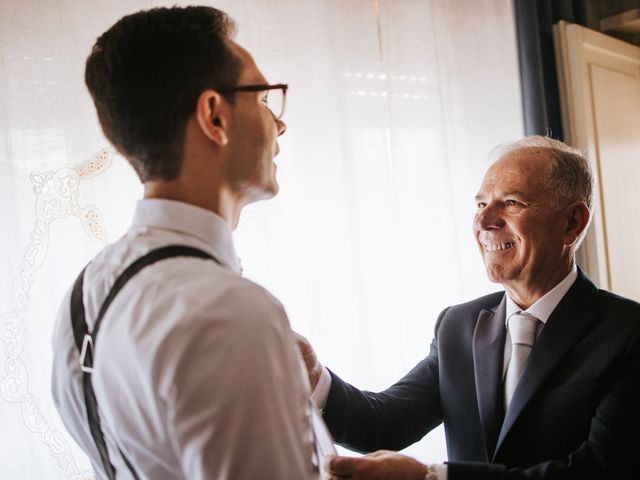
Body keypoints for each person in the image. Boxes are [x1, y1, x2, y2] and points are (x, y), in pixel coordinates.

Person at [51, 6, 319, 480]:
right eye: (263, 99)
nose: (279, 126)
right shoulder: (228, 312)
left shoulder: (85, 292)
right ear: (214, 116)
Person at [297, 136, 640, 479]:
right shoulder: (457, 325)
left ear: (572, 223)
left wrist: (431, 477)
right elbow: (387, 422)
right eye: (480, 205)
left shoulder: (628, 333)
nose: (484, 221)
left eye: (511, 202)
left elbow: (601, 470)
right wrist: (315, 378)